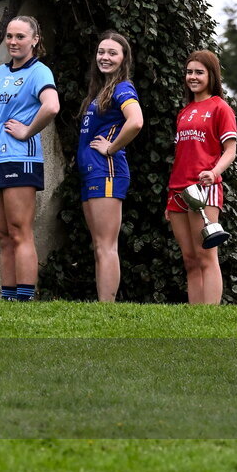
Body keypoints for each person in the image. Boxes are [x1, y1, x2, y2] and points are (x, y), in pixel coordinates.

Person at [0, 15, 60, 301]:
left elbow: (51, 107)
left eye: (20, 37)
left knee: (19, 231)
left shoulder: (40, 72)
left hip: (19, 160)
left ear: (35, 40)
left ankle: (25, 300)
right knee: (2, 235)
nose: (13, 42)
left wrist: (27, 131)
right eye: (9, 36)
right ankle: (9, 299)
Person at [165, 50, 237, 305]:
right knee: (189, 259)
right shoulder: (184, 113)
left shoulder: (220, 107)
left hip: (204, 189)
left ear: (211, 75)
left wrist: (214, 172)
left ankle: (211, 318)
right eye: (189, 72)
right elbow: (181, 156)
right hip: (177, 191)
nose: (192, 77)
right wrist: (169, 198)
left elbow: (231, 151)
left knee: (206, 255)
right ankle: (196, 316)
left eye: (199, 72)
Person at [77, 31, 144, 302]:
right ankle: (103, 305)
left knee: (106, 246)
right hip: (91, 172)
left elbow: (136, 121)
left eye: (112, 53)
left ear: (123, 58)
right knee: (99, 246)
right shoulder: (101, 90)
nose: (105, 57)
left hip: (108, 171)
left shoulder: (122, 87)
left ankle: (107, 309)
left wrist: (112, 146)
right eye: (101, 52)